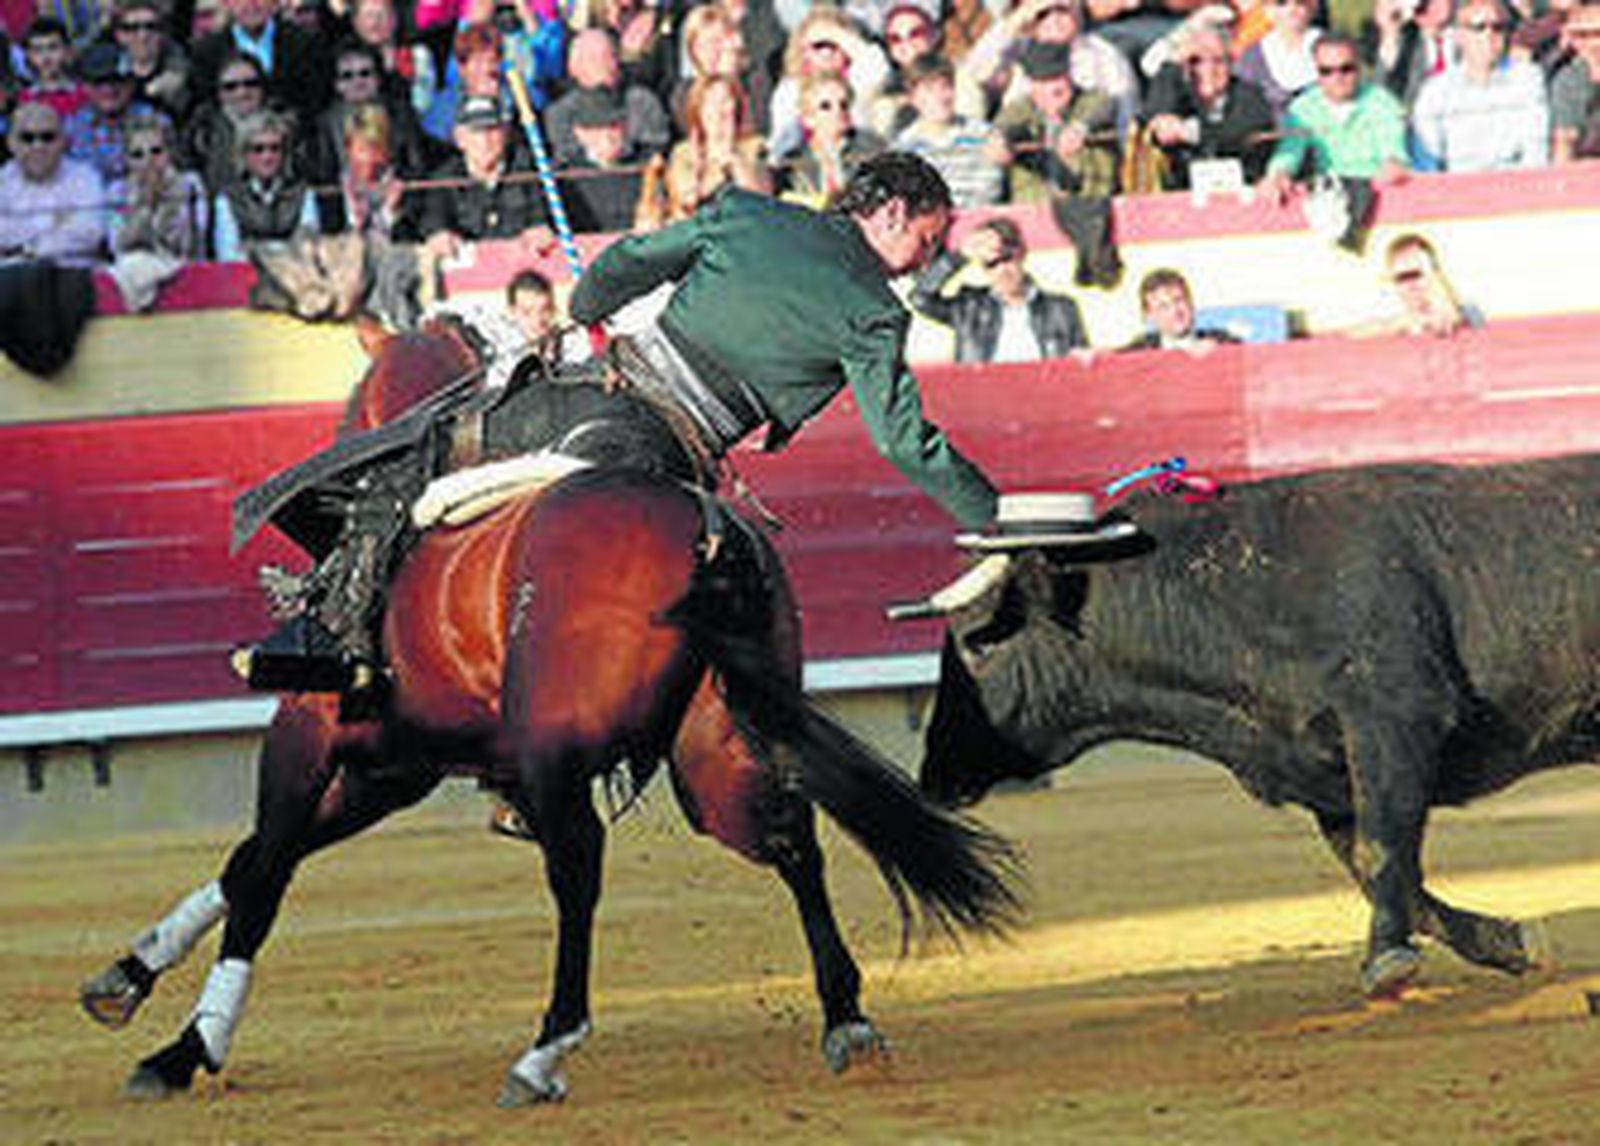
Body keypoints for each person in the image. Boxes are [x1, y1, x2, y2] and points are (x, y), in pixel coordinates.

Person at [239, 151, 998, 683]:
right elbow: (905, 441)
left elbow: (631, 260)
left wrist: (590, 307)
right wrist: (990, 513)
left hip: (605, 385)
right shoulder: (874, 315)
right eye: (927, 243)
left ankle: (329, 629)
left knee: (433, 444)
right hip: (681, 452)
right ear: (891, 211)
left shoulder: (748, 215)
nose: (923, 263)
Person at [910, 214, 1088, 362]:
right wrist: (959, 257)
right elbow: (920, 298)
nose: (1002, 270)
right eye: (991, 264)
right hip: (983, 399)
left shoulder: (1062, 309)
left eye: (1007, 258)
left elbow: (1082, 369)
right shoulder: (970, 307)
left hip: (1045, 399)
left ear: (1022, 254)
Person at [1259, 33, 1409, 202]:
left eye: (1346, 69)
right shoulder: (1302, 108)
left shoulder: (1383, 103)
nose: (1337, 78)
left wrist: (1393, 166)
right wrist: (1279, 174)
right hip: (1327, 194)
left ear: (1359, 67)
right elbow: (1289, 151)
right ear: (1316, 71)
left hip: (1377, 192)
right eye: (1326, 71)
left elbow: (1394, 152)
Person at [1409, 0, 1549, 172]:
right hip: (1457, 186)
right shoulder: (1436, 91)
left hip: (1514, 184)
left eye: (1498, 27)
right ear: (1459, 36)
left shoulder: (1528, 79)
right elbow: (1429, 157)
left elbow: (1536, 151)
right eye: (1478, 27)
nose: (1489, 34)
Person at [1141, 22, 1277, 190]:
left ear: (1231, 63)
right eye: (1195, 61)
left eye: (1218, 61)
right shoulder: (1174, 93)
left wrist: (1187, 132)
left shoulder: (1250, 96)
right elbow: (1153, 119)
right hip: (1181, 195)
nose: (1208, 69)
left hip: (1241, 194)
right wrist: (1175, 63)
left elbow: (1236, 134)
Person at [544, 27, 671, 169]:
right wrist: (595, 154)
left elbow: (656, 152)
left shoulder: (642, 102)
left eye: (610, 56)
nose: (606, 65)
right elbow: (566, 162)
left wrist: (622, 149)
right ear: (574, 67)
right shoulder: (561, 113)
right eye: (594, 58)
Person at [0, 100, 109, 265]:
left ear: (63, 141)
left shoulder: (85, 178)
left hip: (72, 276)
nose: (38, 146)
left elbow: (90, 234)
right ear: (11, 143)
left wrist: (24, 248)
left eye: (47, 137)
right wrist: (56, 224)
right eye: (27, 138)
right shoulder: (3, 181)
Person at [893, 53, 1005, 209]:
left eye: (946, 86)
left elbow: (990, 189)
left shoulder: (983, 134)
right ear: (913, 98)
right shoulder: (904, 149)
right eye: (930, 89)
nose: (942, 97)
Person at [211, 107, 320, 261]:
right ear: (244, 154)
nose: (267, 157)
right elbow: (229, 257)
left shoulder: (304, 195)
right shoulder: (228, 199)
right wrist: (284, 248)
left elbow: (308, 251)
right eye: (258, 149)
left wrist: (254, 249)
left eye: (274, 149)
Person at [775, 70, 887, 207]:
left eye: (844, 104)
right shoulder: (793, 163)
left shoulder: (872, 150)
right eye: (825, 106)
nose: (838, 111)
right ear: (808, 118)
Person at [1346, 231, 1484, 337]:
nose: (1412, 285)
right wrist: (1399, 324)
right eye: (1403, 277)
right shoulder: (1392, 320)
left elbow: (1457, 318)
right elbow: (1354, 333)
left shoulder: (1468, 312)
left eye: (1418, 275)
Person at [1235, 0, 1323, 121]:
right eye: (1281, 2)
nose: (1292, 9)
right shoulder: (1252, 58)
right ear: (1268, 9)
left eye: (1301, 2)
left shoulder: (1336, 51)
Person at [1121, 267, 1237, 351]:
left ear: (1191, 303)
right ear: (1149, 315)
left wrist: (1217, 355)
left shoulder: (1222, 342)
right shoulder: (1138, 351)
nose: (1175, 311)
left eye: (1179, 300)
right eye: (1164, 307)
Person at [1551, 2, 1600, 162]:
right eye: (1582, 35)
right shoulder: (1568, 79)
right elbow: (1565, 140)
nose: (1593, 43)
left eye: (1598, 33)